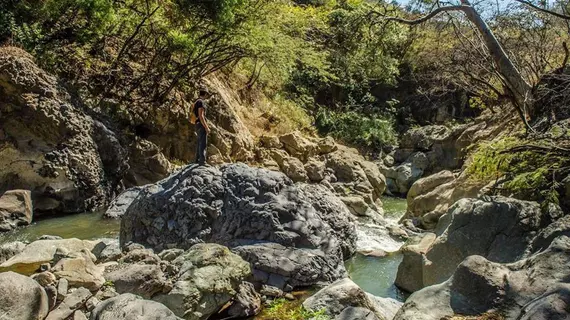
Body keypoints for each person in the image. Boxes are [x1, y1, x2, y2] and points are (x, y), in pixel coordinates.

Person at [192, 89, 211, 166]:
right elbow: (201, 115)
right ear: (205, 94)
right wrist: (206, 127)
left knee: (199, 142)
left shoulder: (196, 101)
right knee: (203, 143)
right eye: (207, 94)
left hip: (197, 124)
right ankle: (202, 161)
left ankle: (197, 160)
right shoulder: (201, 102)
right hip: (201, 124)